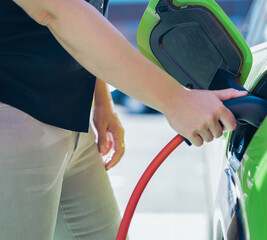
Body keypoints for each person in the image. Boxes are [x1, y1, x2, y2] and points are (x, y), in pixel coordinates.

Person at [0, 0, 248, 239]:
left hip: (73, 120)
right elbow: (55, 9)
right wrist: (176, 101)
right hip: (14, 119)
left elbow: (85, 11)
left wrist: (102, 102)